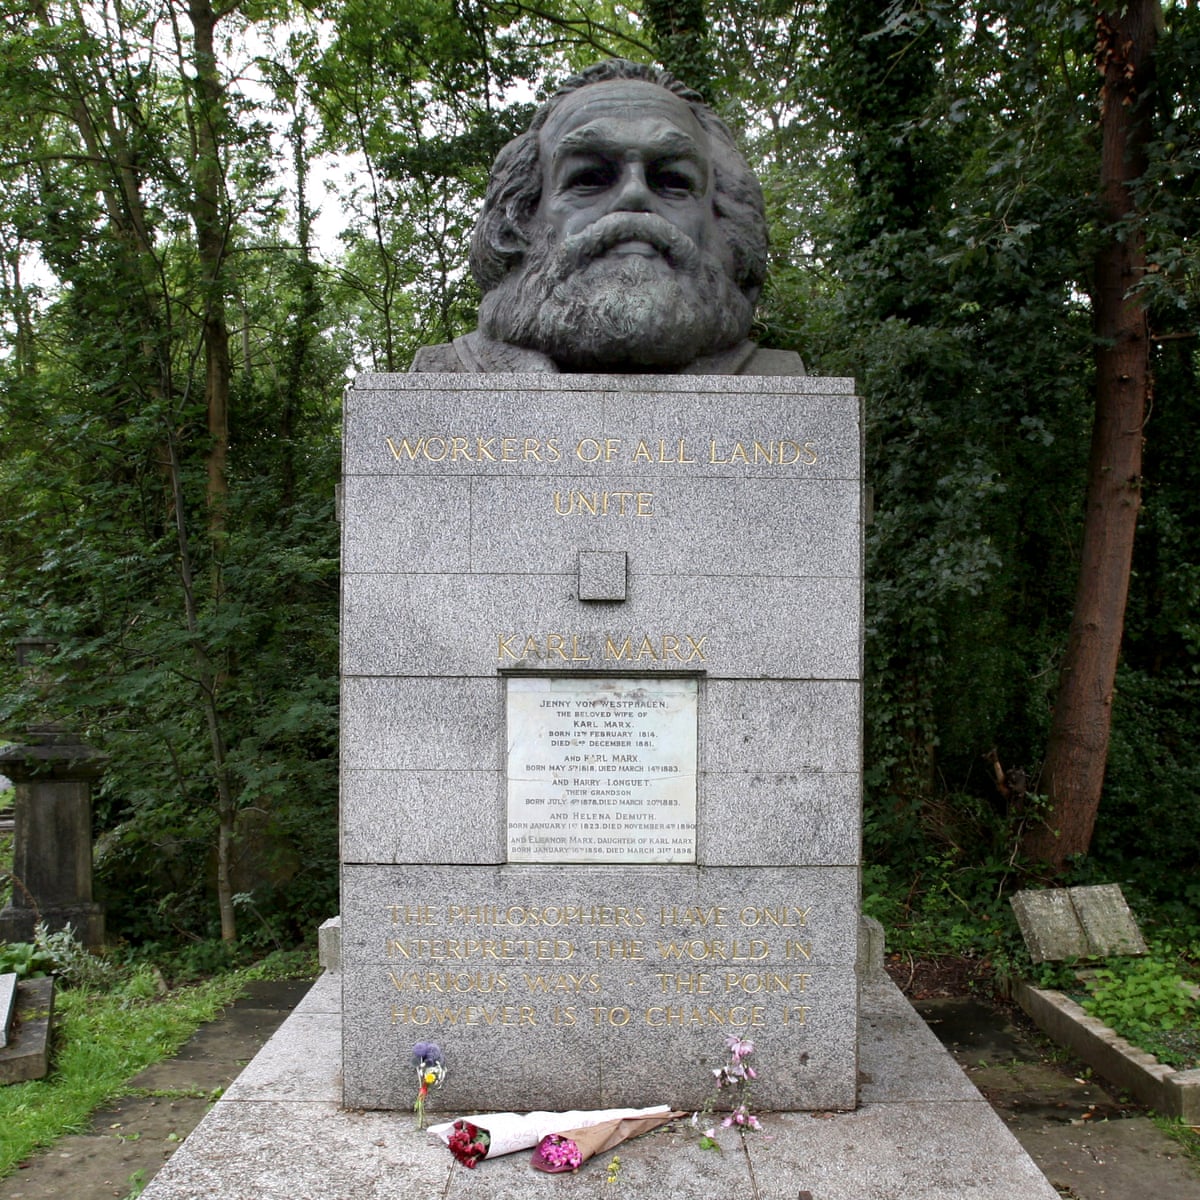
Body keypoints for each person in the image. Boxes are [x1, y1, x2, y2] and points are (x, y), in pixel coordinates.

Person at [411, 59, 803, 375]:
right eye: (590, 178)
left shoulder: (778, 381)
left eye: (672, 180)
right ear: (521, 217)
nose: (634, 194)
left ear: (724, 220)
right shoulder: (442, 376)